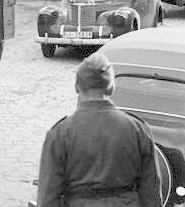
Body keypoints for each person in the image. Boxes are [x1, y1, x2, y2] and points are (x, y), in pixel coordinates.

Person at [36, 53, 160, 207]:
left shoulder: (60, 134)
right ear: (111, 87)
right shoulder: (137, 129)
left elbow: (48, 196)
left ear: (77, 87)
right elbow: (151, 193)